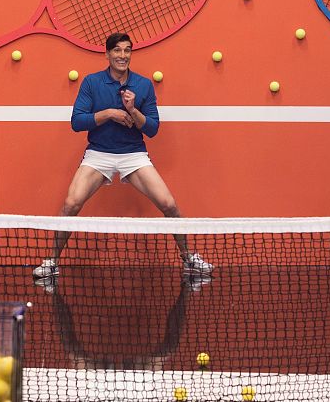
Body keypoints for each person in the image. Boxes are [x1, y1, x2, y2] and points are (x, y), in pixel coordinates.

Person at [33, 33, 212, 279]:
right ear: (107, 54)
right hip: (98, 154)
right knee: (71, 204)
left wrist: (131, 110)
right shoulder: (91, 83)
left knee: (169, 205)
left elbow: (151, 128)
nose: (123, 56)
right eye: (117, 51)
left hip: (133, 155)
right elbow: (77, 122)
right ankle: (52, 261)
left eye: (127, 51)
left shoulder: (143, 85)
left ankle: (188, 258)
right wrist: (109, 113)